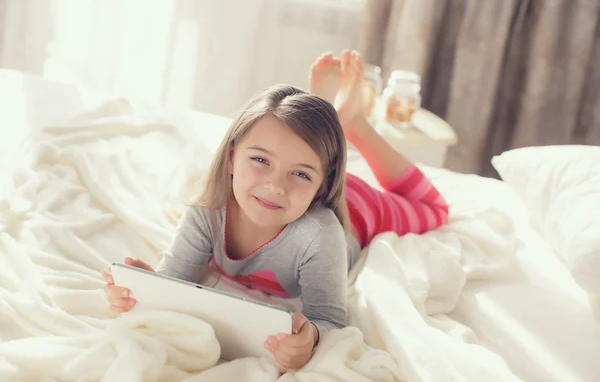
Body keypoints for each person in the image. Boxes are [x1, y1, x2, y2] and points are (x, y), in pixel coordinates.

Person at [102, 50, 449, 369]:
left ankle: (353, 124)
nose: (275, 185)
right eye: (260, 160)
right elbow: (172, 283)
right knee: (298, 155)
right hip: (310, 188)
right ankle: (318, 124)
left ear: (323, 184)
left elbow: (328, 320)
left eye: (299, 173)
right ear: (233, 156)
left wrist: (311, 337)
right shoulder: (207, 212)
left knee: (434, 208)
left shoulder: (319, 234)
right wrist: (141, 289)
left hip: (356, 209)